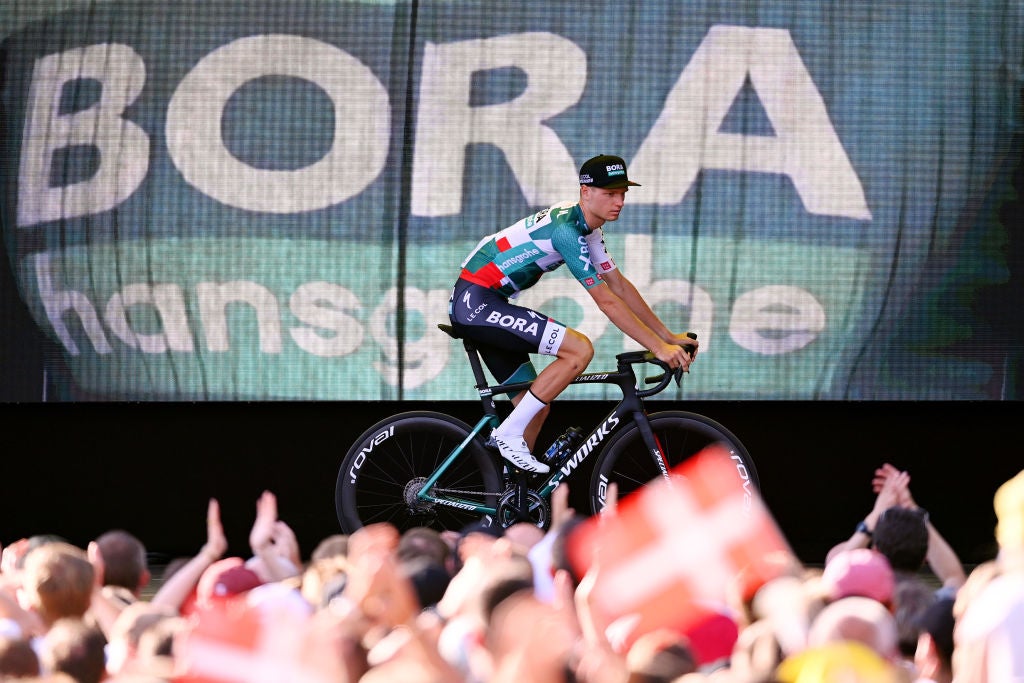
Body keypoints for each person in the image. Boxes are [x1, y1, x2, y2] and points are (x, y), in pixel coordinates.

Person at [449, 154, 698, 473]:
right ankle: (508, 434)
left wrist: (667, 337)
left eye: (623, 193)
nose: (619, 201)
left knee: (535, 405)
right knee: (579, 349)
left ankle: (512, 501)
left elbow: (619, 286)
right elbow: (606, 302)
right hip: (476, 303)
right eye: (610, 193)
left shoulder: (587, 228)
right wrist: (660, 350)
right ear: (585, 192)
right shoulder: (567, 231)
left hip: (483, 302)